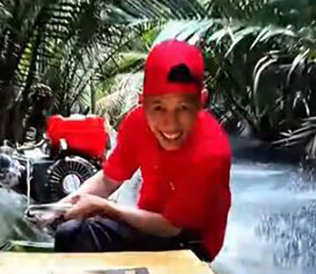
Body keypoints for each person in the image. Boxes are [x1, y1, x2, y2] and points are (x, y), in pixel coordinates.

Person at [54, 39, 232, 262]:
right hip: (147, 221)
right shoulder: (136, 123)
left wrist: (107, 208)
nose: (170, 124)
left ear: (201, 101)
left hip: (190, 240)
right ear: (142, 102)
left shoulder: (211, 151)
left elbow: (171, 227)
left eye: (183, 108)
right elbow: (109, 180)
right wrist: (62, 206)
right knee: (69, 229)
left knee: (78, 234)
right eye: (158, 108)